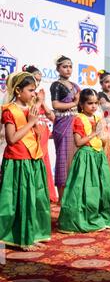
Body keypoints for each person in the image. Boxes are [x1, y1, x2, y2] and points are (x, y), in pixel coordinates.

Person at [0, 71, 51, 250]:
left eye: (35, 90)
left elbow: (36, 133)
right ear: (18, 90)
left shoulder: (30, 109)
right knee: (18, 201)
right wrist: (30, 123)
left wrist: (36, 120)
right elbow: (12, 138)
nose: (33, 94)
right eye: (30, 90)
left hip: (32, 160)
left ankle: (32, 234)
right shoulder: (9, 111)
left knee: (33, 200)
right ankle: (20, 238)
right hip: (17, 161)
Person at [58, 88, 110, 233]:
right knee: (83, 190)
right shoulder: (79, 118)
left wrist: (102, 138)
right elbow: (78, 142)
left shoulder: (98, 118)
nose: (94, 106)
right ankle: (80, 218)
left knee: (101, 188)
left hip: (98, 156)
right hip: (85, 158)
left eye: (96, 103)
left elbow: (102, 138)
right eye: (90, 103)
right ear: (82, 104)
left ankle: (99, 215)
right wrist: (94, 133)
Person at [22, 64, 57, 202]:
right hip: (31, 136)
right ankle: (34, 196)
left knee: (44, 164)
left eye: (39, 80)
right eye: (34, 79)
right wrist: (38, 102)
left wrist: (42, 102)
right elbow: (29, 114)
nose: (37, 83)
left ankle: (46, 195)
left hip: (43, 135)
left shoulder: (37, 96)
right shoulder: (25, 97)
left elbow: (51, 116)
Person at [50, 56, 80, 202]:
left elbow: (81, 103)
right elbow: (56, 105)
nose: (68, 69)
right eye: (64, 66)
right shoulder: (56, 85)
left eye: (70, 66)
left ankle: (73, 197)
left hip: (75, 123)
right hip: (63, 124)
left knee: (76, 159)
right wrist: (74, 103)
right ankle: (62, 200)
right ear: (58, 69)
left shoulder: (75, 86)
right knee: (63, 160)